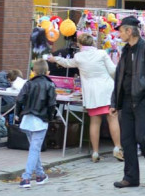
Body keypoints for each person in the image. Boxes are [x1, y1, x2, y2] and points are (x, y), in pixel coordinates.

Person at [109, 16, 145, 188]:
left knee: (143, 136)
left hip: (142, 101)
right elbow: (119, 78)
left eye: (121, 31)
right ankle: (131, 177)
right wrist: (114, 102)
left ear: (129, 30)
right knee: (127, 140)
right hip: (125, 102)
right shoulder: (125, 51)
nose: (119, 35)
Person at [49, 32, 122, 162]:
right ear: (92, 43)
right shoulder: (102, 53)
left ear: (79, 44)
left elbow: (67, 63)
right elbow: (112, 70)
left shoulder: (78, 57)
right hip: (106, 90)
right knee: (112, 118)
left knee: (94, 122)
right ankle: (117, 148)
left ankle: (95, 152)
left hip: (91, 94)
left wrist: (55, 59)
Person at [14, 59, 58, 188]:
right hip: (40, 120)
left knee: (34, 149)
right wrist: (50, 117)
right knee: (34, 149)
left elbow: (19, 99)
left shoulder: (28, 83)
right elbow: (52, 104)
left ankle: (40, 174)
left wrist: (17, 114)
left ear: (33, 71)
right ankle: (26, 177)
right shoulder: (50, 85)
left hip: (27, 119)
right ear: (47, 72)